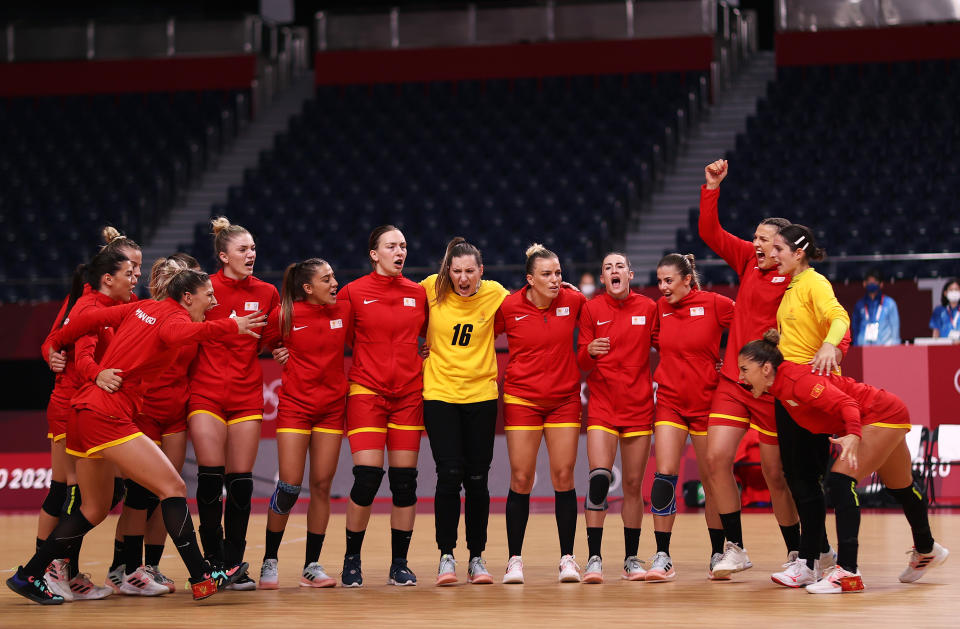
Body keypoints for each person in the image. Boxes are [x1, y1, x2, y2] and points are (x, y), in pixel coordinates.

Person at [7, 269, 265, 604]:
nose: (214, 302)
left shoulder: (140, 306)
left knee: (94, 508)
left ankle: (28, 575)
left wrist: (53, 342)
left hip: (83, 414)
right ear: (188, 297)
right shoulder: (174, 319)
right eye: (209, 296)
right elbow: (182, 334)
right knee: (172, 488)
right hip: (107, 416)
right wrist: (233, 325)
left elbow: (86, 322)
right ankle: (202, 577)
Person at [738, 329, 949, 593]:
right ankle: (927, 548)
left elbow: (847, 403)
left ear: (766, 368)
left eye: (745, 369)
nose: (740, 377)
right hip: (888, 410)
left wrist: (852, 434)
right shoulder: (780, 389)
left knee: (839, 481)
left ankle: (848, 572)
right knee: (900, 486)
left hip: (878, 414)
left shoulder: (796, 381)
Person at [697, 159, 813, 580]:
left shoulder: (797, 279)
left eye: (765, 240)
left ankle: (800, 552)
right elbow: (710, 233)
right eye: (756, 238)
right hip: (733, 380)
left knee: (775, 475)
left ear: (784, 248)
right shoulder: (747, 260)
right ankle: (735, 547)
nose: (757, 244)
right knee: (715, 459)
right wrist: (712, 188)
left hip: (770, 386)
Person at [717, 224, 851, 584]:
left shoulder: (813, 283)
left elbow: (839, 319)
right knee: (797, 478)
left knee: (804, 480)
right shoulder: (791, 286)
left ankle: (820, 560)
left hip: (807, 390)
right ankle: (810, 559)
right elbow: (788, 334)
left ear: (798, 252)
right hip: (785, 389)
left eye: (779, 248)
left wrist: (831, 346)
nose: (772, 254)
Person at [187, 217, 279, 590]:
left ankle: (235, 563)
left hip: (245, 395)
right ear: (223, 255)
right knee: (210, 481)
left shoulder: (268, 292)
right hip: (206, 392)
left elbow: (271, 340)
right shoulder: (202, 288)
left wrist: (286, 349)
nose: (251, 254)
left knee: (240, 485)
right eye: (243, 249)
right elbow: (185, 332)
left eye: (253, 248)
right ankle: (211, 564)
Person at [336, 225, 428, 587]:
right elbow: (334, 338)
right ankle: (352, 559)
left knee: (405, 482)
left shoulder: (418, 293)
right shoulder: (352, 292)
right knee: (367, 479)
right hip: (366, 393)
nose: (399, 252)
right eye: (391, 246)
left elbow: (433, 336)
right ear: (374, 254)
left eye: (403, 245)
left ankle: (399, 564)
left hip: (408, 395)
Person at [256, 258, 350, 590]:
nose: (335, 282)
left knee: (322, 486)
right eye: (327, 279)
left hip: (332, 409)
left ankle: (312, 565)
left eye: (334, 276)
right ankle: (270, 560)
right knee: (290, 486)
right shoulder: (286, 315)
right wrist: (277, 350)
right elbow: (263, 341)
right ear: (308, 288)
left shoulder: (343, 311)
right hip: (296, 408)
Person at [420, 238, 509, 585]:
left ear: (481, 271)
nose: (463, 277)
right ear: (448, 271)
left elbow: (530, 304)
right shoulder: (430, 287)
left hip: (481, 395)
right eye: (456, 271)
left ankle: (477, 557)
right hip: (440, 394)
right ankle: (446, 555)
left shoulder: (495, 293)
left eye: (469, 270)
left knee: (477, 478)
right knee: (448, 474)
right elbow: (399, 313)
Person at [496, 243, 587, 584]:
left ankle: (567, 559)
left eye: (559, 273)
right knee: (521, 478)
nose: (555, 280)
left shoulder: (574, 301)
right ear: (529, 279)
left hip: (564, 399)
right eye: (547, 274)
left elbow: (604, 320)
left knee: (563, 476)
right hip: (522, 399)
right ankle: (514, 560)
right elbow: (477, 337)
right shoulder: (508, 307)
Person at [114, 254, 203, 597]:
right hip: (144, 411)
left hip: (175, 413)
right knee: (139, 495)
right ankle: (125, 568)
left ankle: (148, 567)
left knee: (169, 492)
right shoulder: (147, 313)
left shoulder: (193, 316)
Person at [648, 253, 733, 581]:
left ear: (687, 279)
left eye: (668, 281)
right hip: (669, 401)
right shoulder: (659, 308)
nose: (662, 287)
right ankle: (662, 555)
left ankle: (716, 553)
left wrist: (732, 367)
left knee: (713, 478)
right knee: (664, 475)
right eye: (659, 281)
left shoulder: (715, 303)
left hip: (707, 405)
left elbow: (748, 324)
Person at [576, 253, 657, 583]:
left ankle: (630, 559)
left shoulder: (648, 308)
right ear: (603, 276)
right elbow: (581, 359)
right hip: (603, 406)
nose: (613, 271)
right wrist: (589, 351)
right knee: (599, 479)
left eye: (619, 266)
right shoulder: (591, 309)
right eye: (607, 267)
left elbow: (669, 343)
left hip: (638, 407)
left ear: (630, 274)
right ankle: (594, 558)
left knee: (634, 485)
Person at [851, 268, 900, 346]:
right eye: (869, 281)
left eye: (875, 281)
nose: (872, 283)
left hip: (884, 349)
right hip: (863, 349)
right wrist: (856, 346)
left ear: (881, 284)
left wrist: (895, 347)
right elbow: (855, 328)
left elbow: (895, 329)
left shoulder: (890, 303)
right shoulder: (859, 305)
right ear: (864, 283)